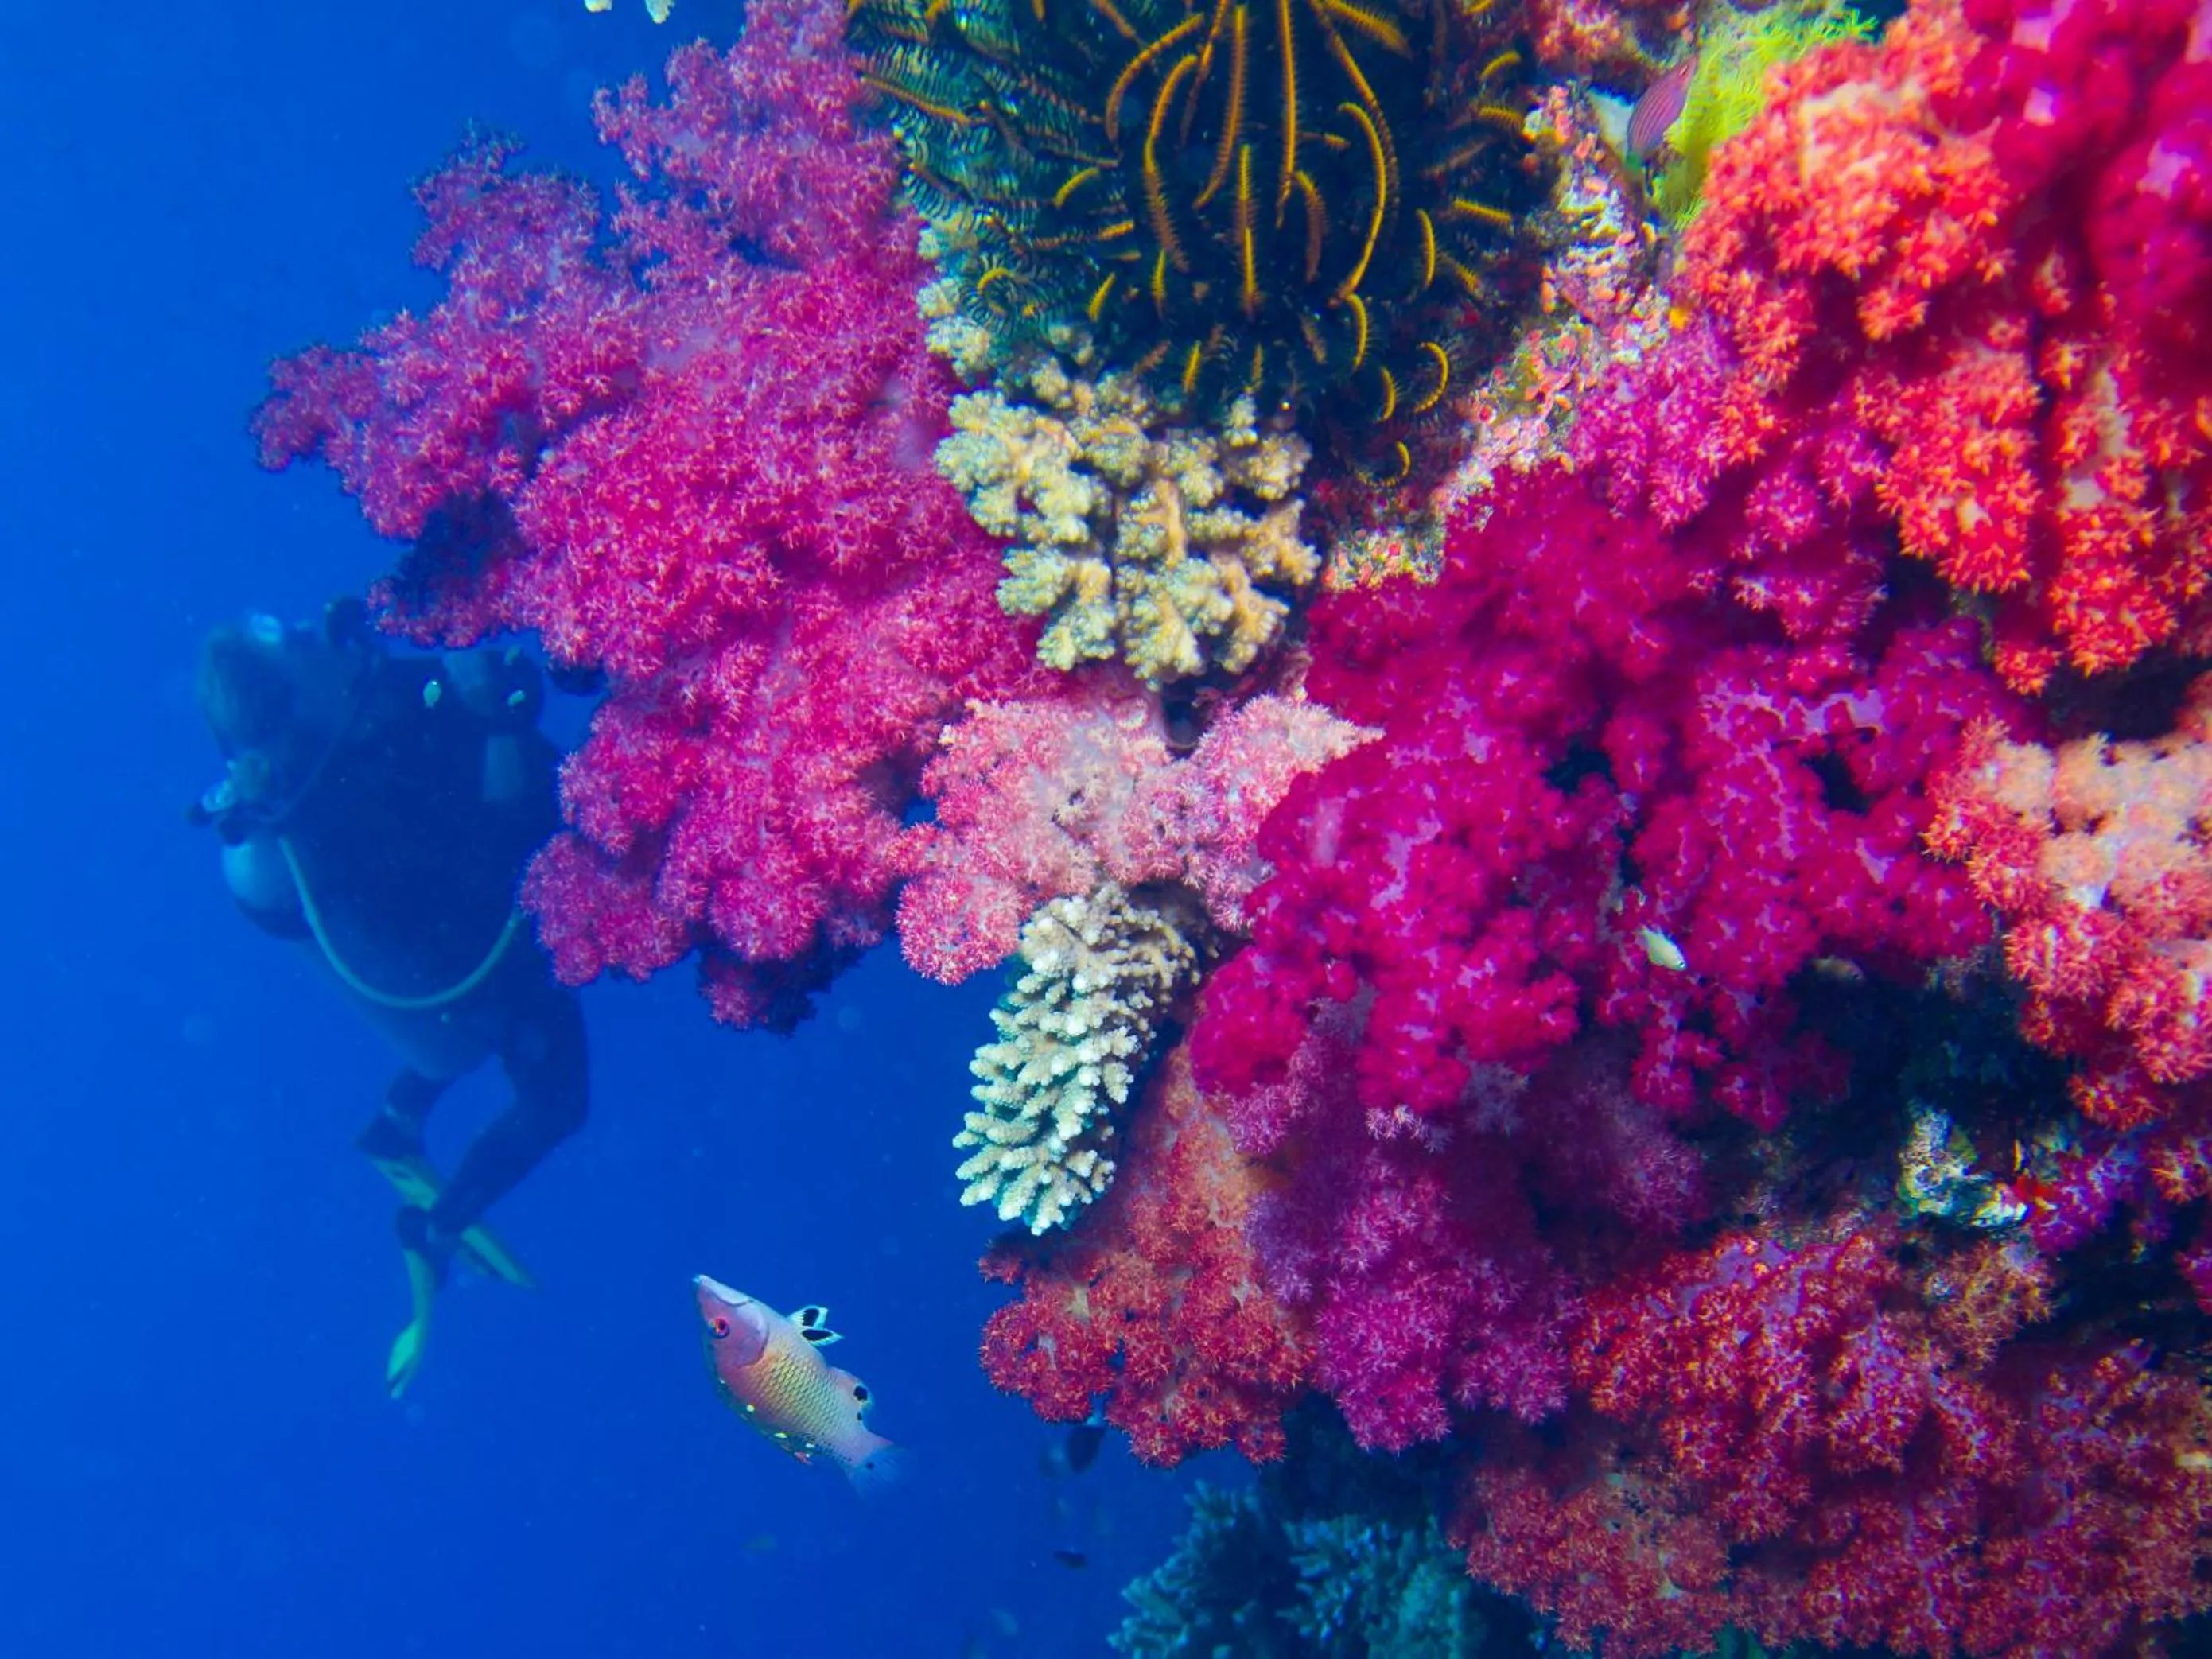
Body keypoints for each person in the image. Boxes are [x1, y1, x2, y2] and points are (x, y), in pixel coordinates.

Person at [190, 597, 589, 1395]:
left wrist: (493, 693)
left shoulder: (358, 711)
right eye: (296, 639)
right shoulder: (345, 796)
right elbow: (485, 869)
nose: (315, 630)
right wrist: (500, 725)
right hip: (482, 962)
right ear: (297, 701)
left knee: (453, 1049)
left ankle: (396, 1121)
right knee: (557, 1101)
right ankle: (435, 1231)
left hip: (460, 960)